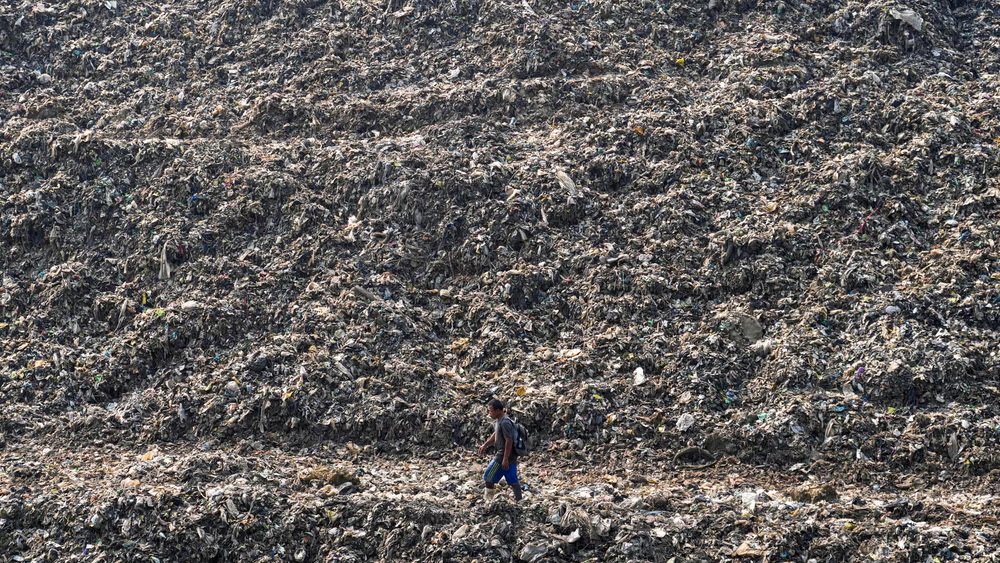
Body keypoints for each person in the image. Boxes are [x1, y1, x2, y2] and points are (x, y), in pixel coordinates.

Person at [477, 398, 522, 502]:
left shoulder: (505, 422)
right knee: (512, 480)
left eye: (490, 410)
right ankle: (519, 501)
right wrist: (485, 445)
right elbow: (496, 435)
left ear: (498, 410)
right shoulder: (499, 420)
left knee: (488, 477)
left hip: (503, 455)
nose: (489, 413)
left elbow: (509, 440)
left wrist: (505, 458)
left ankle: (488, 500)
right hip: (508, 456)